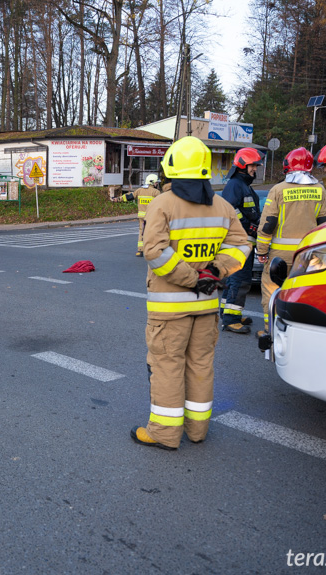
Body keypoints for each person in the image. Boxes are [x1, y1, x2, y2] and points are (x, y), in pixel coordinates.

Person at [131, 137, 251, 450]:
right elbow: (241, 245)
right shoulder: (222, 206)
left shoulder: (162, 204)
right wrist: (215, 271)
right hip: (207, 306)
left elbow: (154, 251)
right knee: (200, 366)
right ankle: (198, 431)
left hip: (170, 310)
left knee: (168, 367)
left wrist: (191, 278)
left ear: (169, 169)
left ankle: (163, 433)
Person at [255, 147, 326, 339]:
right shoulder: (320, 190)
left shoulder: (278, 190)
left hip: (279, 256)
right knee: (304, 292)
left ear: (287, 166)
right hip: (308, 255)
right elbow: (325, 224)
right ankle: (301, 332)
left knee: (272, 291)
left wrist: (261, 251)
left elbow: (268, 224)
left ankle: (270, 330)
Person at [219, 148, 265, 334]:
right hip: (239, 240)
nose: (255, 169)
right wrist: (249, 225)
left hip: (245, 239)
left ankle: (227, 313)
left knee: (234, 279)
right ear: (243, 165)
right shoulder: (235, 185)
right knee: (240, 279)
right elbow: (230, 210)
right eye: (253, 165)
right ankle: (231, 319)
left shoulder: (245, 186)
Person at [116, 174, 162, 256]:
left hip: (142, 217)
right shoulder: (156, 192)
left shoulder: (140, 190)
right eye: (155, 183)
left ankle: (140, 250)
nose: (156, 184)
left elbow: (129, 196)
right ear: (152, 182)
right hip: (152, 217)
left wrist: (118, 199)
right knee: (154, 232)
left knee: (142, 232)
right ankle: (154, 249)